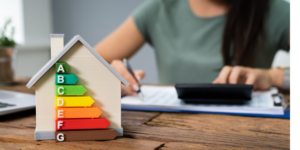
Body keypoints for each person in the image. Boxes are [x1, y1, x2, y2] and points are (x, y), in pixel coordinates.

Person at [94, 0, 291, 96]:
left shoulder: (276, 11)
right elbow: (79, 66)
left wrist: (274, 77)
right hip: (169, 132)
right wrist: (109, 77)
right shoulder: (161, 8)